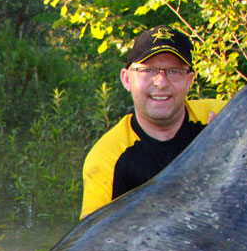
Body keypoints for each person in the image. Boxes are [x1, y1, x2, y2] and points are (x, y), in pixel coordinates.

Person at [80, 26, 227, 219]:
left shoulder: (223, 117)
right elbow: (91, 244)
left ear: (189, 80)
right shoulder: (107, 157)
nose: (161, 82)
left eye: (174, 71)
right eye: (147, 70)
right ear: (126, 79)